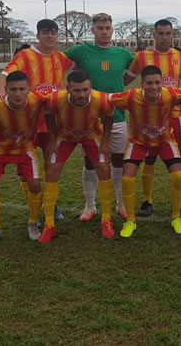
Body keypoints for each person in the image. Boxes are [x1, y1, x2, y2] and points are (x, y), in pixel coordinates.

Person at [0, 19, 73, 222]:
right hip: (27, 123)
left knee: (50, 165)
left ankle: (51, 205)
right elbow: (4, 75)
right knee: (26, 170)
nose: (50, 36)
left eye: (54, 33)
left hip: (51, 123)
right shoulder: (25, 56)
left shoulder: (61, 58)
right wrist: (0, 93)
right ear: (38, 34)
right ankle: (34, 210)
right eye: (46, 32)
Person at [62, 13, 133, 222]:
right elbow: (58, 63)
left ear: (112, 30)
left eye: (108, 28)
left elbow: (134, 72)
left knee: (119, 160)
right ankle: (90, 205)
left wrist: (118, 88)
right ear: (93, 29)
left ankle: (121, 204)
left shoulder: (122, 53)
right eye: (100, 27)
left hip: (117, 115)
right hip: (88, 118)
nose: (104, 31)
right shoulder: (80, 51)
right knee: (91, 161)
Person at [111, 66, 181, 237]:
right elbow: (107, 99)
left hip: (165, 141)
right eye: (149, 83)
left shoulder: (170, 94)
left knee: (178, 176)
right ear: (142, 84)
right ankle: (130, 220)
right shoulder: (132, 96)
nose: (154, 87)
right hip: (139, 142)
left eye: (157, 83)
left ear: (162, 83)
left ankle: (176, 217)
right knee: (127, 177)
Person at [124, 19, 181, 218]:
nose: (164, 37)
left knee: (179, 158)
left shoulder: (180, 56)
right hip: (148, 116)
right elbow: (127, 79)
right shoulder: (142, 56)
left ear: (172, 35)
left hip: (175, 116)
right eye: (161, 33)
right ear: (154, 35)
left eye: (168, 33)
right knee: (149, 158)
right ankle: (147, 200)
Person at [39, 70, 116, 242]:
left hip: (91, 135)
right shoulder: (54, 99)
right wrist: (51, 140)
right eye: (77, 90)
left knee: (103, 169)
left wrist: (105, 142)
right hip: (65, 137)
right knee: (51, 170)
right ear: (68, 89)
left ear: (91, 87)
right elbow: (48, 114)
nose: (82, 94)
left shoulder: (102, 100)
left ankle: (106, 219)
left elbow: (109, 116)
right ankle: (49, 224)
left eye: (85, 90)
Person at [0, 71, 46, 247]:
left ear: (29, 89)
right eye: (13, 89)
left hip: (25, 149)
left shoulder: (37, 100)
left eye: (22, 89)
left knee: (35, 184)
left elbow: (57, 101)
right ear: (6, 89)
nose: (17, 93)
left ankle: (33, 223)